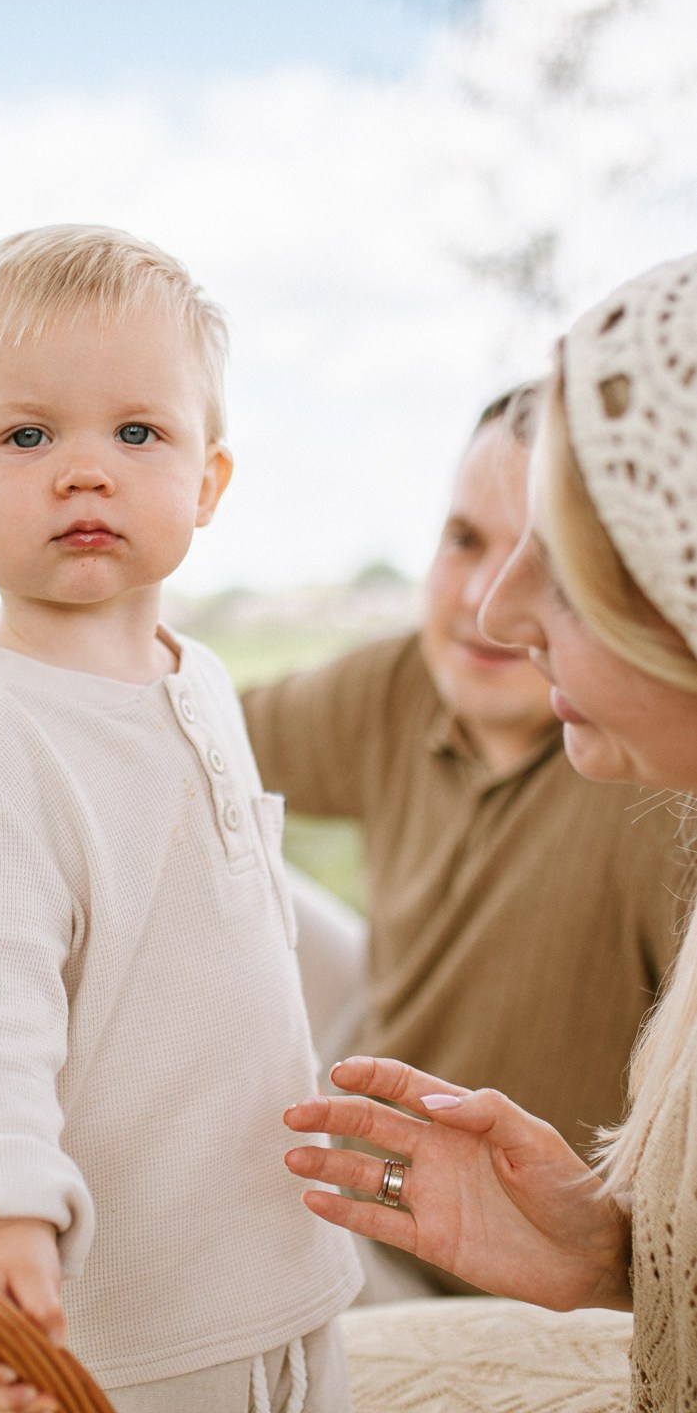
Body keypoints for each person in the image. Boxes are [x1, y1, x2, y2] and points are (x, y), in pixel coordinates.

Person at [0, 225, 361, 1413]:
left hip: (270, 1265)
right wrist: (3, 1217)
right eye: (27, 434)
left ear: (207, 481)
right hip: (106, 1329)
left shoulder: (192, 678)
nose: (83, 469)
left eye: (136, 431)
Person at [283, 249, 697, 1408]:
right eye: (465, 541)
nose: (492, 606)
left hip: (443, 1275)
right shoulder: (398, 686)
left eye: (554, 564)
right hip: (462, 1197)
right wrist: (608, 1253)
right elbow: (185, 733)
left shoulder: (648, 800)